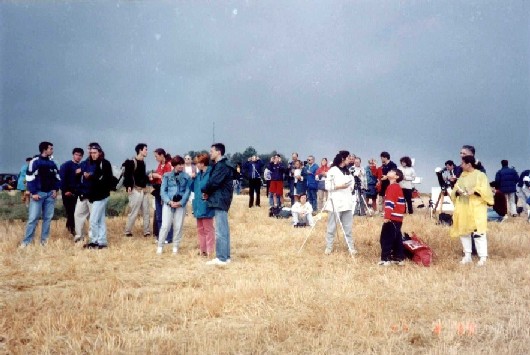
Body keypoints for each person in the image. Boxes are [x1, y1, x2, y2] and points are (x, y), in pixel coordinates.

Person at [450, 155, 493, 266]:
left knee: (479, 232)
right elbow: (455, 190)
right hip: (463, 207)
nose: (461, 165)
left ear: (469, 164)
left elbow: (486, 192)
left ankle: (483, 257)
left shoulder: (480, 175)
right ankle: (467, 255)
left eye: (463, 163)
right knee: (464, 232)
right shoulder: (462, 176)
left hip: (476, 208)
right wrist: (457, 192)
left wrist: (475, 191)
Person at [20, 141, 60, 247]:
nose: (52, 150)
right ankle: (26, 242)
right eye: (50, 148)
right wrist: (33, 192)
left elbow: (57, 177)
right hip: (38, 194)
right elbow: (29, 178)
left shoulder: (52, 163)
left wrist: (55, 189)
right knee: (33, 218)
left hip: (50, 195)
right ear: (44, 149)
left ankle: (44, 242)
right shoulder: (35, 162)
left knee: (47, 219)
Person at [203, 143, 235, 266]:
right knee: (224, 230)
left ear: (218, 152)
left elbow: (214, 182)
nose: (210, 153)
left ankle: (221, 258)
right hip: (222, 198)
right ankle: (226, 257)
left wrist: (204, 191)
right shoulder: (222, 165)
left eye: (212, 151)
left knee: (221, 230)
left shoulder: (222, 166)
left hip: (220, 199)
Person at [157, 155, 192, 254]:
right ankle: (160, 246)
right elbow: (163, 191)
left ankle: (175, 247)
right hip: (169, 203)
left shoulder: (187, 177)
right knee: (165, 225)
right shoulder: (167, 176)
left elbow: (188, 191)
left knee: (178, 226)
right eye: (179, 164)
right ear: (174, 165)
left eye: (182, 164)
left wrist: (181, 202)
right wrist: (169, 201)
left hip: (180, 204)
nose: (181, 166)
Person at [323, 151, 356, 255]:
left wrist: (349, 186)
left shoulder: (348, 171)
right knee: (332, 227)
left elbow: (352, 185)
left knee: (348, 227)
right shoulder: (333, 170)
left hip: (347, 203)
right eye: (347, 158)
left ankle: (351, 247)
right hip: (335, 203)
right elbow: (327, 186)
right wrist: (339, 186)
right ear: (342, 159)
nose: (349, 160)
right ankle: (329, 247)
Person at [83, 144, 114, 249]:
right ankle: (102, 242)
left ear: (100, 152)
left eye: (95, 152)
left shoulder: (104, 163)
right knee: (100, 220)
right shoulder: (95, 163)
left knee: (93, 220)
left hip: (101, 196)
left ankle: (94, 241)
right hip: (97, 196)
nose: (93, 155)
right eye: (91, 153)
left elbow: (105, 180)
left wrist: (91, 176)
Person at [378, 169, 406, 266]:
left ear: (396, 176)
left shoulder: (392, 187)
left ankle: (385, 259)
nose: (389, 172)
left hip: (392, 218)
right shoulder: (397, 187)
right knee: (397, 237)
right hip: (398, 218)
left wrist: (387, 216)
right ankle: (398, 257)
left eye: (391, 171)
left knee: (385, 238)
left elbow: (390, 203)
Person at [123, 143, 150, 237]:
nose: (147, 151)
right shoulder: (131, 162)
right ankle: (127, 231)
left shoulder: (143, 162)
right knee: (134, 212)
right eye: (145, 149)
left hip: (144, 190)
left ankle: (147, 231)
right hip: (135, 190)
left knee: (146, 212)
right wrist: (128, 187)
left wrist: (148, 178)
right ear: (140, 150)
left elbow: (142, 176)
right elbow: (128, 175)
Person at [191, 153, 215, 257]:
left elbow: (214, 187)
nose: (196, 165)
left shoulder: (211, 173)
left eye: (197, 163)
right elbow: (192, 188)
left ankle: (210, 251)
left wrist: (208, 195)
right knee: (200, 229)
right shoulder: (198, 175)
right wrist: (192, 179)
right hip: (197, 205)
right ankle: (203, 250)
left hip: (206, 205)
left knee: (208, 229)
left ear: (202, 163)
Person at [149, 148, 173, 243]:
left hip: (165, 192)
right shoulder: (160, 165)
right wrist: (152, 177)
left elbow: (169, 180)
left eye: (156, 156)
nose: (155, 158)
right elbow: (157, 178)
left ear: (162, 155)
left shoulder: (169, 165)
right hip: (158, 191)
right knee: (159, 215)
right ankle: (160, 236)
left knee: (166, 216)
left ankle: (168, 237)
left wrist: (158, 176)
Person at [59, 148, 84, 236]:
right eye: (76, 154)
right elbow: (62, 179)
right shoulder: (66, 165)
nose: (78, 157)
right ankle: (71, 229)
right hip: (68, 191)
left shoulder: (82, 166)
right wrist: (65, 190)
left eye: (80, 155)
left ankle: (71, 228)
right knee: (70, 211)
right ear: (73, 155)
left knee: (77, 211)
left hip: (78, 192)